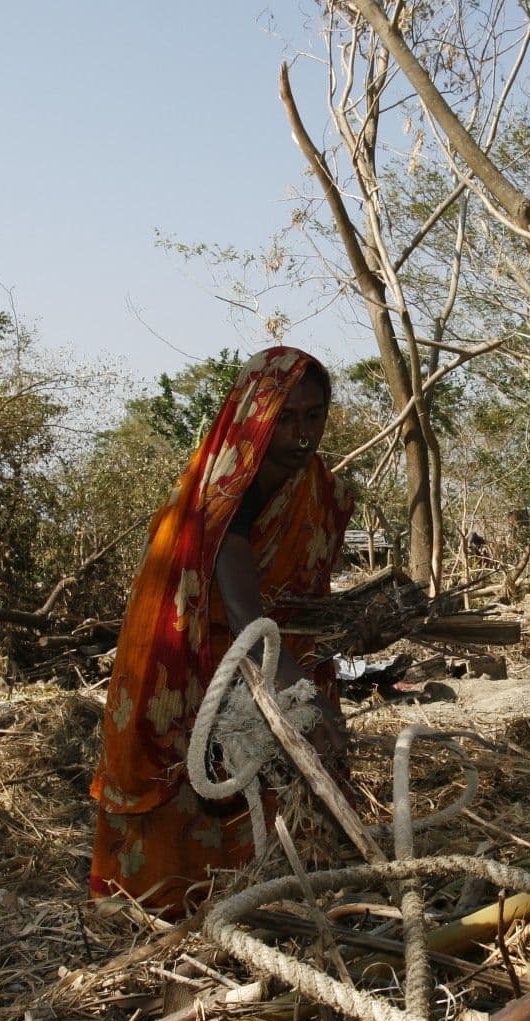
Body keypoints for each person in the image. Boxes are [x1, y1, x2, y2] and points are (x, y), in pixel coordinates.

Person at [91, 347, 354, 912]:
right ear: (255, 418)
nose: (301, 434)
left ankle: (278, 890)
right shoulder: (229, 494)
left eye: (313, 416)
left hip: (276, 647)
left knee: (285, 786)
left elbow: (303, 598)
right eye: (285, 418)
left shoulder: (316, 488)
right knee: (191, 770)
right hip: (194, 657)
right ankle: (173, 903)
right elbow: (246, 621)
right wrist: (302, 696)